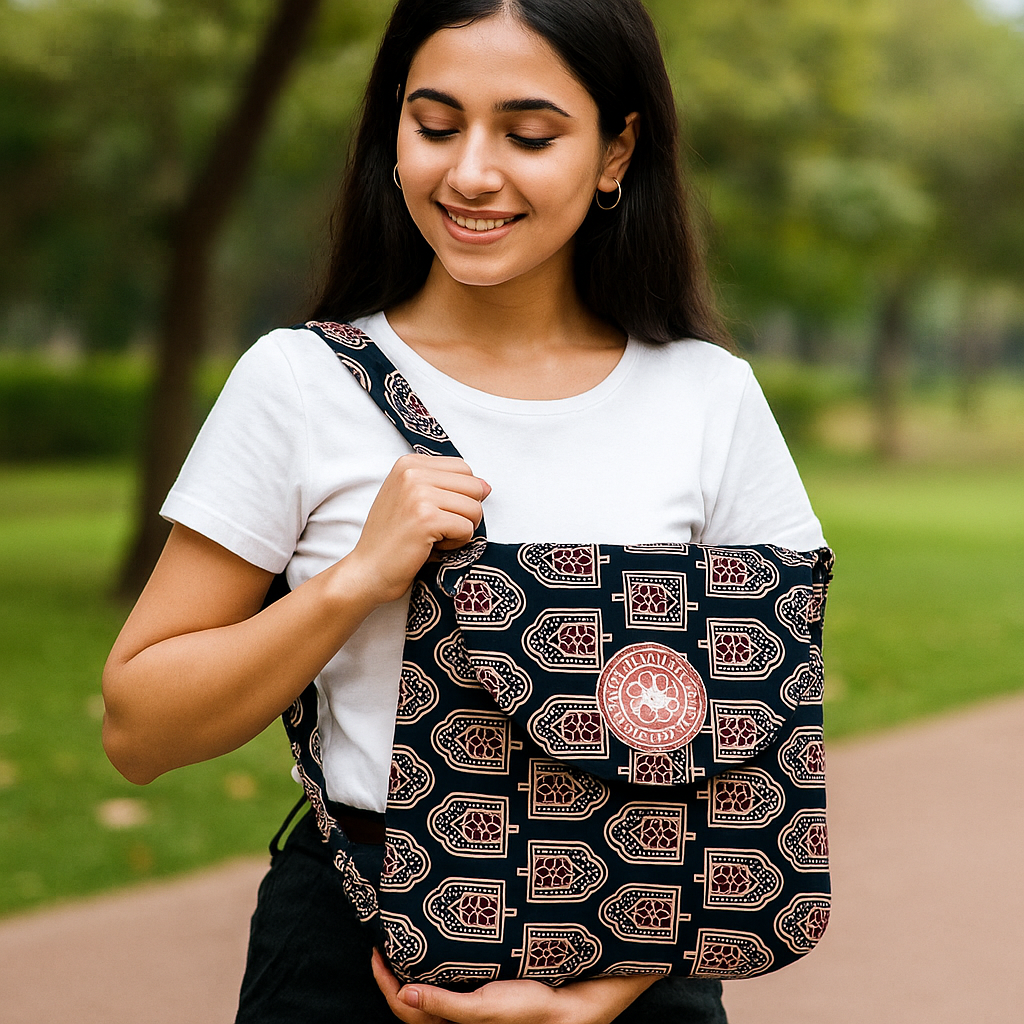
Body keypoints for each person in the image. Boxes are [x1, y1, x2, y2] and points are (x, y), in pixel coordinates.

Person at [102, 1, 825, 1021]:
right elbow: (140, 728)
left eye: (528, 135)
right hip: (350, 954)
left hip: (642, 955)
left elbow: (767, 731)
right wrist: (357, 578)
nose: (471, 173)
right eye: (435, 125)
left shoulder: (707, 397)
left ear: (617, 150)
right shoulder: (302, 384)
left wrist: (600, 994)